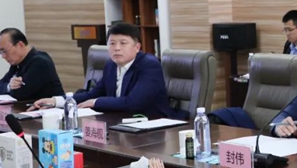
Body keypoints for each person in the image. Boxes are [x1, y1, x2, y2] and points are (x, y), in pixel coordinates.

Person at [31, 23, 187, 120]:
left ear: (137, 47)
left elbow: (133, 103)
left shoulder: (149, 65)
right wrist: (57, 101)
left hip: (153, 125)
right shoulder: (111, 65)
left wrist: (95, 102)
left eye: (123, 43)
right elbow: (92, 94)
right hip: (121, 122)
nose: (116, 48)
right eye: (112, 43)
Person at [0, 28, 65, 101]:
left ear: (20, 45)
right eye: (0, 52)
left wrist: (12, 89)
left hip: (48, 107)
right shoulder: (17, 64)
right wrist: (9, 86)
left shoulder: (40, 62)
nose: (3, 56)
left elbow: (21, 94)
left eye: (4, 51)